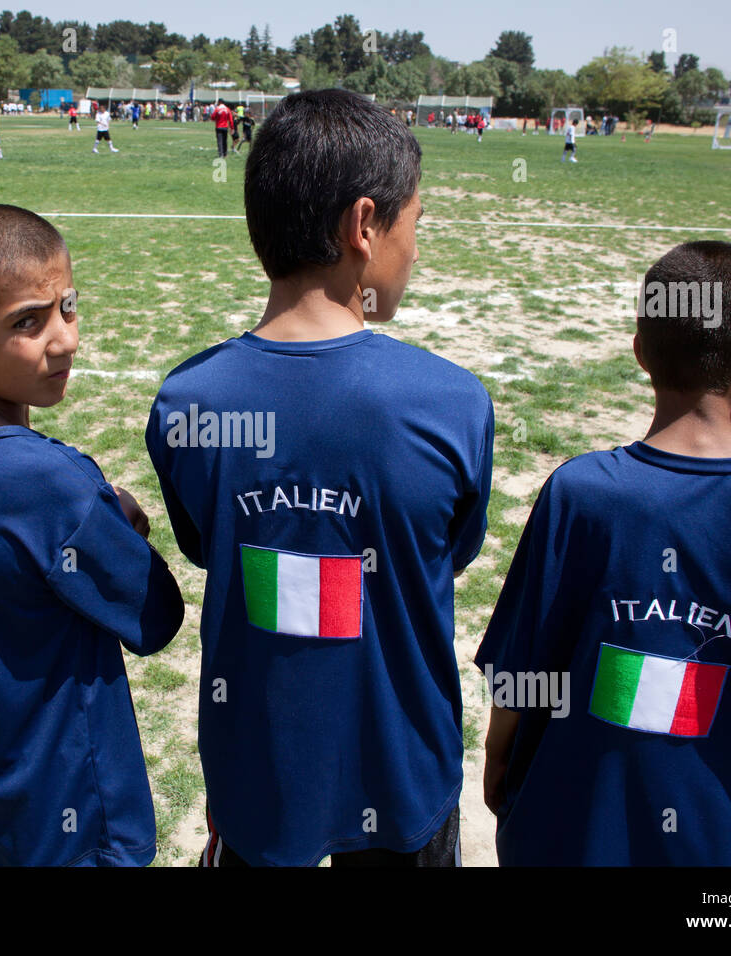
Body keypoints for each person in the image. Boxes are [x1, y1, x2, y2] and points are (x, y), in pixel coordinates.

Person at [145, 89, 493, 867]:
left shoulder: (189, 399)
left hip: (259, 773)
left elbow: (207, 546)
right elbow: (451, 553)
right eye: (416, 224)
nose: (416, 246)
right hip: (401, 770)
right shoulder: (450, 402)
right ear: (363, 226)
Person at [477, 241, 731, 865]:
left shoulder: (579, 494)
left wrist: (499, 754)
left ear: (639, 351)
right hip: (724, 840)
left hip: (564, 828)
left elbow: (523, 668)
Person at [0, 203, 184, 866]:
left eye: (68, 305)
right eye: (27, 323)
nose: (64, 339)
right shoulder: (51, 485)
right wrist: (123, 523)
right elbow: (156, 616)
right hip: (69, 815)